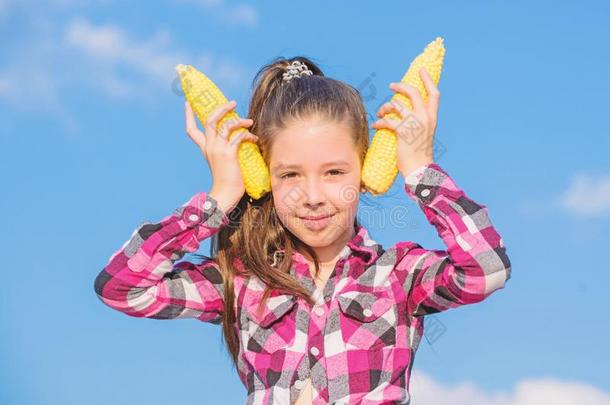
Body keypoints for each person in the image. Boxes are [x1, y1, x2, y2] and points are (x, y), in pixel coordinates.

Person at [93, 57, 512, 405]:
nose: (312, 196)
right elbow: (122, 287)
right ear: (264, 178)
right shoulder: (242, 282)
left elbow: (485, 270)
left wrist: (420, 169)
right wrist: (218, 198)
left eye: (334, 172)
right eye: (290, 175)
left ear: (365, 170)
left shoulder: (397, 276)